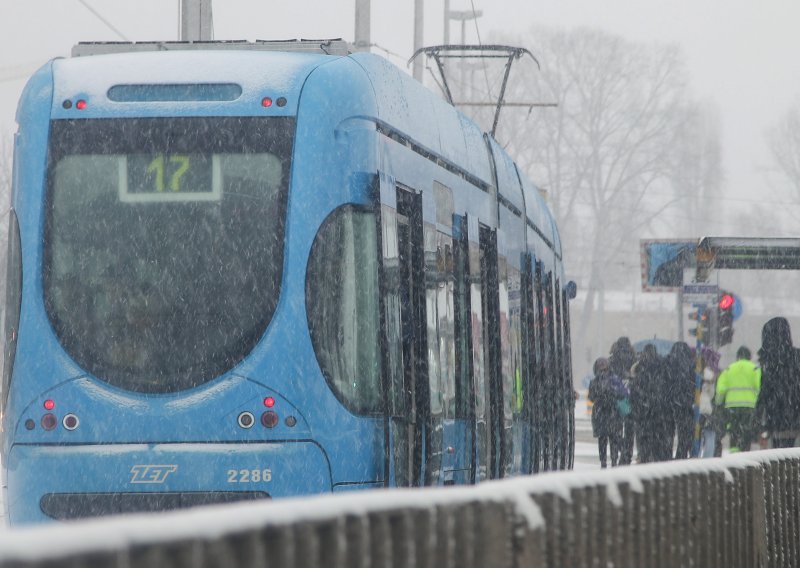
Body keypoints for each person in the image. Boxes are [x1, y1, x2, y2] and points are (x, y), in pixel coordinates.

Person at [757, 317, 800, 448]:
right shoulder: (796, 357)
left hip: (776, 422)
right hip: (795, 420)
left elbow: (764, 393)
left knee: (778, 461)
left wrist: (759, 422)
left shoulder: (769, 362)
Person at [716, 346, 761, 452]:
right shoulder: (754, 369)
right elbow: (759, 387)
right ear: (749, 357)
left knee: (734, 432)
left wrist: (718, 403)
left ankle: (734, 453)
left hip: (732, 406)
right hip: (749, 406)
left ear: (737, 357)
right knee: (746, 432)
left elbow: (721, 389)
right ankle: (745, 453)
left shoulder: (729, 369)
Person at [630, 343, 668, 463]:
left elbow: (634, 390)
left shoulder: (639, 367)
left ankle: (643, 456)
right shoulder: (662, 366)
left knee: (643, 436)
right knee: (657, 435)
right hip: (658, 409)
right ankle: (656, 455)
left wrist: (636, 405)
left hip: (643, 410)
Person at [588, 357, 629, 468]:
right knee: (613, 439)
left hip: (600, 413)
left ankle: (604, 462)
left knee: (603, 440)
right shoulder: (615, 379)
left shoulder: (594, 382)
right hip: (613, 413)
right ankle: (614, 460)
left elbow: (591, 398)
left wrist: (601, 395)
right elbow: (623, 394)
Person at [665, 342, 697, 460]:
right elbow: (695, 384)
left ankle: (667, 454)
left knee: (669, 431)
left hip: (668, 402)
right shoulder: (691, 364)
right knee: (684, 432)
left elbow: (664, 382)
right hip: (685, 403)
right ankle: (681, 455)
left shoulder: (668, 363)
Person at [609, 337, 637, 464]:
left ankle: (618, 450)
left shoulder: (612, 359)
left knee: (616, 429)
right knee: (630, 429)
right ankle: (627, 454)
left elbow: (608, 377)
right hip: (631, 399)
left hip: (616, 399)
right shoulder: (633, 359)